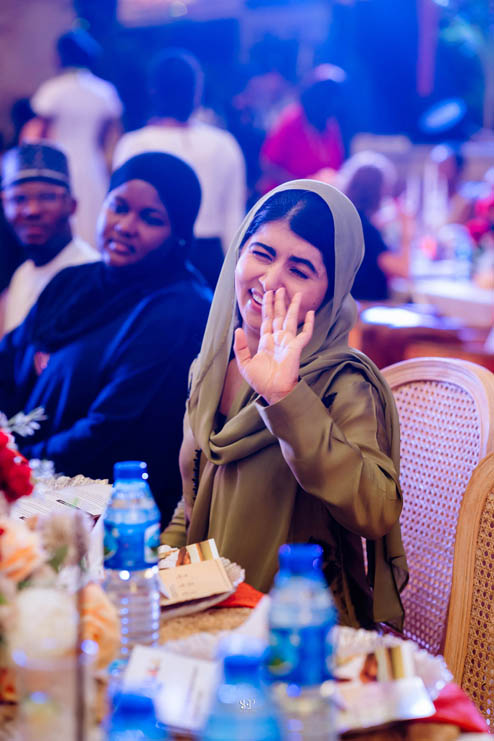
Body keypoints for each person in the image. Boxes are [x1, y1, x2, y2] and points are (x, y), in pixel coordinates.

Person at [162, 180, 408, 630]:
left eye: (300, 269)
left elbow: (376, 511)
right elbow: (194, 500)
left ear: (330, 291)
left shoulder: (342, 382)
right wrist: (157, 566)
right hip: (209, 608)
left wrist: (286, 398)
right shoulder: (212, 367)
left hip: (301, 628)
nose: (270, 280)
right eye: (261, 253)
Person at [0, 152, 211, 522]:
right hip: (30, 485)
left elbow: (110, 430)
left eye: (151, 218)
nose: (126, 226)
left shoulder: (180, 309)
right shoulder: (73, 282)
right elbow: (7, 363)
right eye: (119, 207)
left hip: (111, 511)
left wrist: (16, 462)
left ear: (179, 234)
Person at [113, 49, 246, 289]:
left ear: (153, 91)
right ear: (196, 92)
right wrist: (236, 276)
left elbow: (119, 209)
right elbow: (233, 219)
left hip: (150, 253)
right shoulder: (223, 143)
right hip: (209, 256)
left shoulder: (134, 143)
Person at [29, 29, 123, 245]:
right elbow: (110, 140)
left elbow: (39, 135)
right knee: (92, 222)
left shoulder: (52, 90)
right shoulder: (104, 91)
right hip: (92, 166)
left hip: (58, 166)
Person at [0, 142, 99, 337]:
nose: (32, 211)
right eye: (19, 199)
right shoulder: (23, 274)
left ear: (72, 205)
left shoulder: (91, 275)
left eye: (46, 197)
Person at [259, 65, 345, 194]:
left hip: (315, 198)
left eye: (333, 95)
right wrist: (301, 187)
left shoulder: (331, 127)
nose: (329, 101)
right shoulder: (292, 121)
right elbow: (268, 165)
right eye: (324, 94)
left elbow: (335, 168)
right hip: (286, 199)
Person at [340, 151, 411, 301]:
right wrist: (406, 232)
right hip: (367, 304)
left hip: (351, 301)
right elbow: (403, 270)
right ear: (378, 191)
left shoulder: (349, 218)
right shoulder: (366, 229)